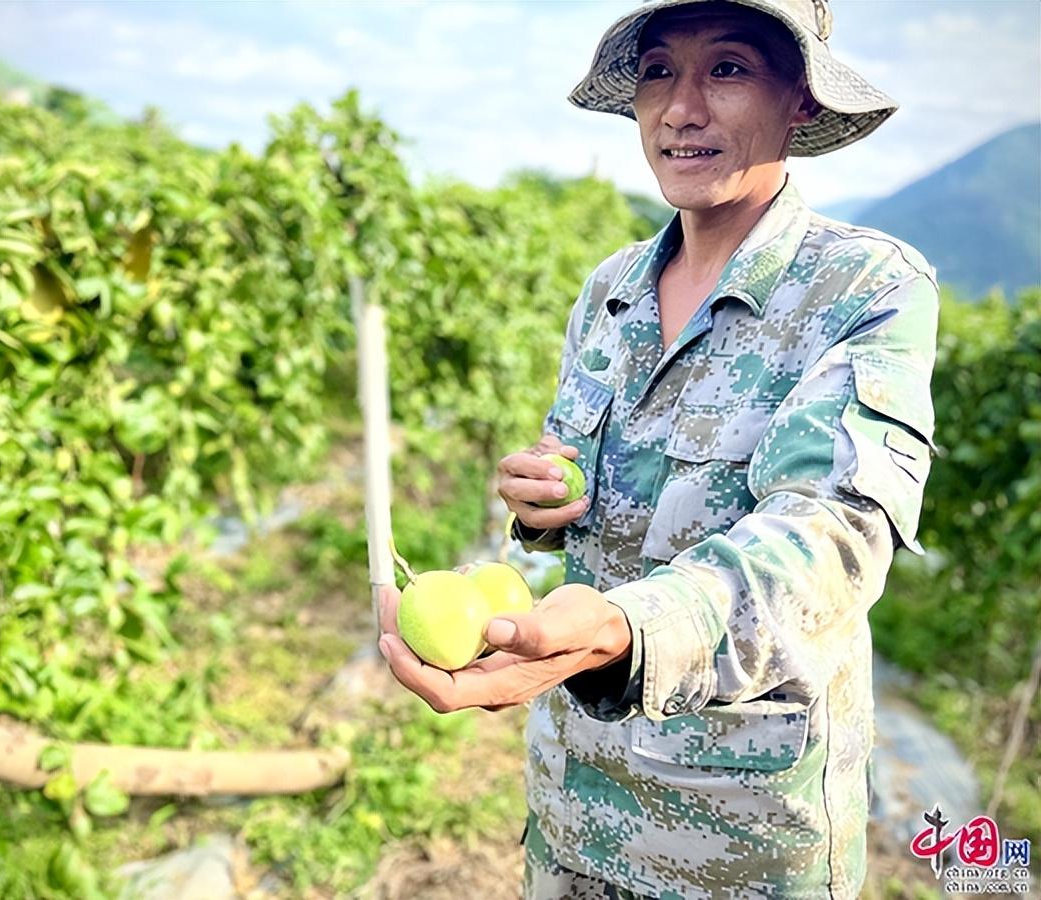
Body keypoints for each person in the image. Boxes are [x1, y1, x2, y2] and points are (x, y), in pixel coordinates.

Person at [377, 0, 939, 896]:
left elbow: (832, 535)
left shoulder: (865, 287)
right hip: (577, 797)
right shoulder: (610, 289)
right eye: (656, 73)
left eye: (726, 69)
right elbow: (594, 500)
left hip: (738, 835)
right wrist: (543, 510)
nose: (681, 108)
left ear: (799, 97)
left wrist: (624, 627)